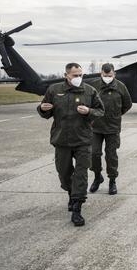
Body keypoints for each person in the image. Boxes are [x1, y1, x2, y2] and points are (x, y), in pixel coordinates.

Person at [37, 62, 104, 227]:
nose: (78, 78)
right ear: (66, 75)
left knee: (80, 175)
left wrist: (89, 111)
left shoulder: (90, 91)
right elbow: (45, 112)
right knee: (64, 173)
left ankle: (77, 208)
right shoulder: (54, 90)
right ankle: (70, 193)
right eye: (75, 75)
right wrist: (42, 109)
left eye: (81, 75)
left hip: (83, 141)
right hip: (62, 140)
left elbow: (100, 111)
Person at [89, 63, 132, 195]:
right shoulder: (93, 85)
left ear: (114, 74)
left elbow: (127, 104)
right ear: (101, 73)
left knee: (111, 155)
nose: (107, 77)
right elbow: (87, 102)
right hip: (95, 126)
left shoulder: (120, 86)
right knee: (94, 153)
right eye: (105, 75)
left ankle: (112, 180)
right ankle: (97, 176)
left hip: (113, 128)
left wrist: (116, 115)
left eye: (110, 75)